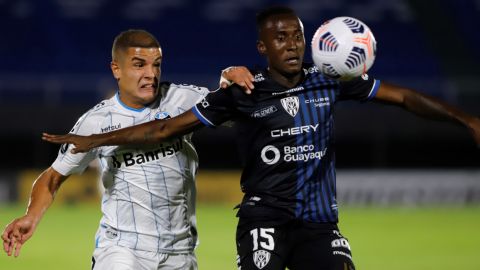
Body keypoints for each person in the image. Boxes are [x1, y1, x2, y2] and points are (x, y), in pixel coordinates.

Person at [39, 6, 480, 270]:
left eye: (298, 37)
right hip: (262, 220)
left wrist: (468, 120)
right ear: (262, 47)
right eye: (280, 37)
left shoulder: (328, 80)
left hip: (318, 224)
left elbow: (401, 97)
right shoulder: (242, 95)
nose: (292, 44)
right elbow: (162, 128)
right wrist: (94, 141)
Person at [1, 29, 254, 270]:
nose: (150, 74)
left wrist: (230, 82)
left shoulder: (183, 99)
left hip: (180, 253)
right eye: (139, 64)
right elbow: (52, 176)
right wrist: (31, 216)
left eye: (156, 64)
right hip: (122, 250)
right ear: (116, 69)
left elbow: (237, 111)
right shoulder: (96, 121)